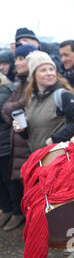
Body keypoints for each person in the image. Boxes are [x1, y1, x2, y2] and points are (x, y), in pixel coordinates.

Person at [13, 50, 74, 153]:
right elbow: (32, 135)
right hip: (38, 159)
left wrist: (55, 139)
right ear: (33, 75)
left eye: (51, 69)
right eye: (43, 70)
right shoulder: (32, 99)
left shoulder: (62, 95)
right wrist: (21, 130)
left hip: (58, 159)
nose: (49, 73)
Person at [0, 45, 37, 231]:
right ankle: (19, 214)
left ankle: (23, 216)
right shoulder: (20, 83)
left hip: (26, 141)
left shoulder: (31, 82)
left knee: (26, 184)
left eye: (20, 59)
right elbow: (8, 111)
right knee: (18, 182)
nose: (17, 63)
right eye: (16, 60)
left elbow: (14, 107)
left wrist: (10, 111)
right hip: (17, 139)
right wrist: (11, 112)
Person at [0, 64, 18, 231]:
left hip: (4, 143)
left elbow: (5, 117)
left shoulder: (5, 90)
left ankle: (16, 212)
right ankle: (6, 209)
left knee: (9, 180)